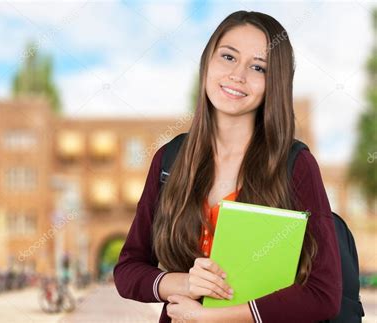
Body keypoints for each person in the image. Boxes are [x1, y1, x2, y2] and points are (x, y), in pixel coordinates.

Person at [113, 10, 342, 323]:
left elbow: (323, 294)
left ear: (273, 82)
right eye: (228, 57)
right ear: (207, 62)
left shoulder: (295, 165)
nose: (238, 75)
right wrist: (184, 283)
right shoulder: (170, 160)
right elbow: (128, 269)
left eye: (258, 66)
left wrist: (211, 316)